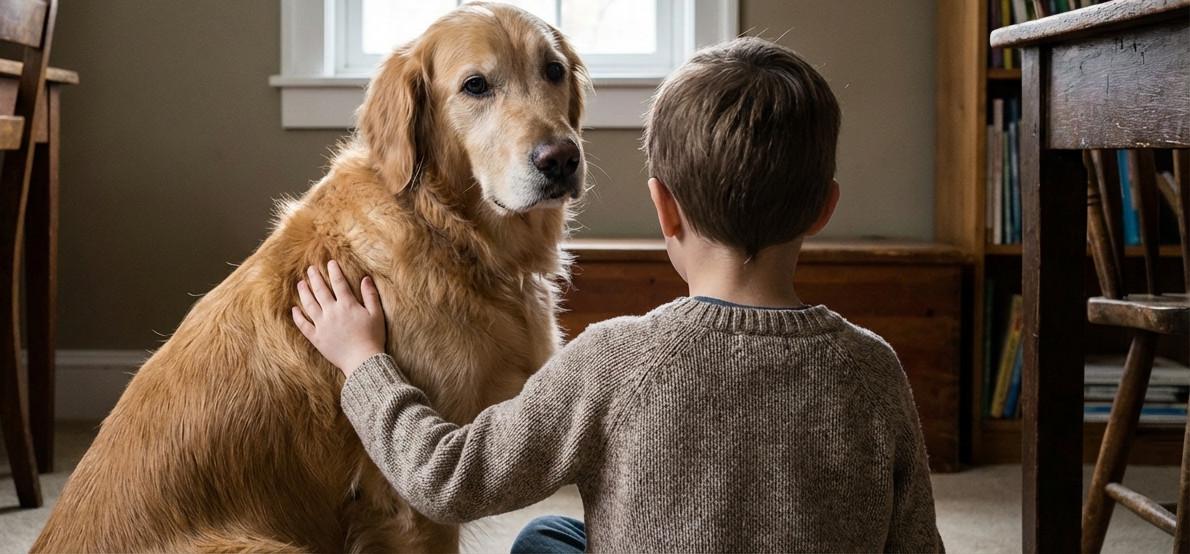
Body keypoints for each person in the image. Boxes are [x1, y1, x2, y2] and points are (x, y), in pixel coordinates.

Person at [292, 37, 945, 553]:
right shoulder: (874, 369)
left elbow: (445, 481)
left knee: (543, 541)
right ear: (823, 210)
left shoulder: (614, 360)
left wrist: (362, 362)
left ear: (664, 208)